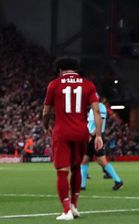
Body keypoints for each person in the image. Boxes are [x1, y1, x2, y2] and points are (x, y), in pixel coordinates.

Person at [42, 57, 103, 221]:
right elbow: (96, 112)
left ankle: (66, 210)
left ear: (60, 70)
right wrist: (98, 135)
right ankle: (75, 207)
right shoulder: (88, 84)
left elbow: (46, 112)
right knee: (77, 168)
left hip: (62, 132)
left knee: (62, 171)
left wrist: (45, 126)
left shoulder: (54, 84)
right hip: (81, 132)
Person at [81, 100, 124, 191]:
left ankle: (118, 180)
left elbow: (99, 122)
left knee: (101, 161)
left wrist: (92, 135)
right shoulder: (92, 108)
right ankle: (82, 185)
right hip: (91, 136)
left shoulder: (100, 107)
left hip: (96, 137)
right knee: (85, 160)